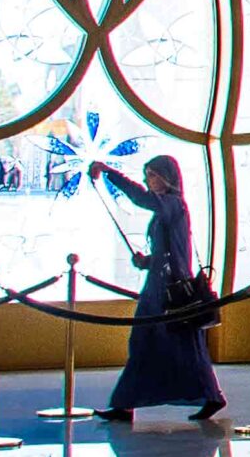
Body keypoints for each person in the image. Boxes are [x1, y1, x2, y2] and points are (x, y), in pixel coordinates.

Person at [90, 154, 225, 424]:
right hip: (159, 286)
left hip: (169, 290)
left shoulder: (173, 204)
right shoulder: (169, 207)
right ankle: (125, 403)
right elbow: (169, 251)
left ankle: (211, 396)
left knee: (181, 345)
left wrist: (110, 174)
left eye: (151, 175)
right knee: (144, 343)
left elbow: (142, 200)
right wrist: (147, 262)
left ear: (166, 177)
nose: (147, 180)